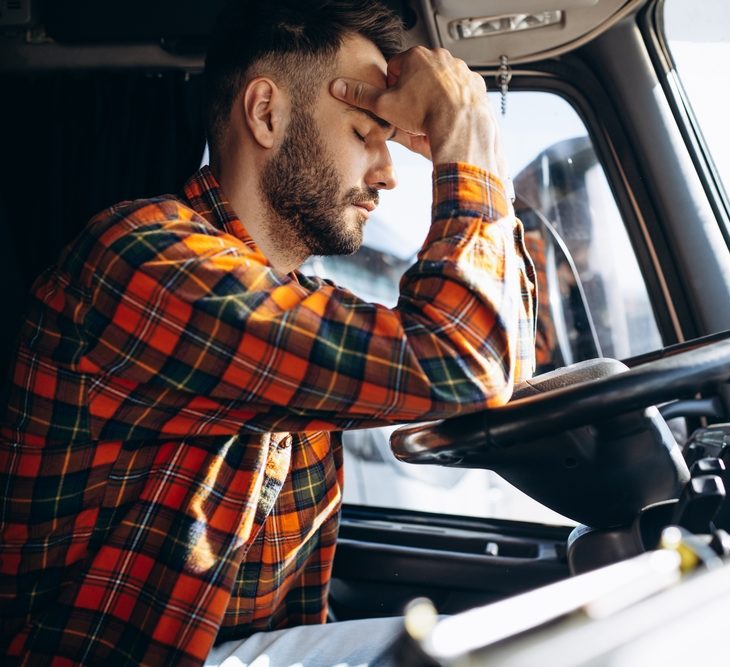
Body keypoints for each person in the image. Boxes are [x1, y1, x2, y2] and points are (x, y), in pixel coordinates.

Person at [0, 0, 537, 664]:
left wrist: (477, 167)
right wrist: (467, 143)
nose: (391, 172)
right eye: (367, 129)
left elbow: (503, 357)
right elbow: (464, 359)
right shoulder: (146, 260)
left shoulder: (293, 301)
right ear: (266, 113)